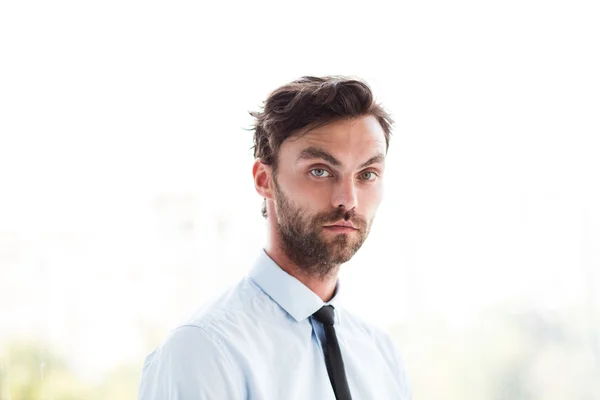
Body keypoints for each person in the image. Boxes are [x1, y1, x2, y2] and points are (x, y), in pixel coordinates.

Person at [138, 76, 412, 399]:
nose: (348, 200)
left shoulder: (381, 355)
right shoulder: (203, 352)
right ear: (264, 179)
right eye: (320, 171)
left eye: (367, 174)